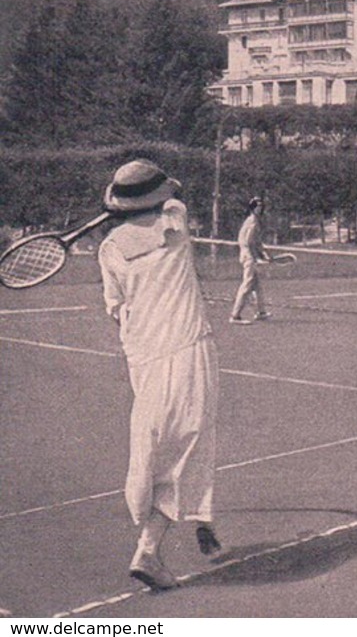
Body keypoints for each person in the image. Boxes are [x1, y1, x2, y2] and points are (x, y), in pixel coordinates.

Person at [98, 159, 221, 592]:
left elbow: (116, 308)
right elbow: (176, 196)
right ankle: (148, 551)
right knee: (188, 449)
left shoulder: (109, 247)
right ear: (158, 198)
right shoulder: (176, 220)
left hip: (143, 358)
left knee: (156, 446)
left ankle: (164, 526)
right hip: (187, 352)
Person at [230, 196, 271, 324]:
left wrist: (262, 254)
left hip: (248, 255)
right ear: (252, 208)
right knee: (247, 285)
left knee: (257, 285)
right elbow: (249, 242)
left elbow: (255, 242)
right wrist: (257, 257)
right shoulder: (252, 221)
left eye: (260, 207)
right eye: (257, 207)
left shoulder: (252, 221)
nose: (259, 209)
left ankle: (261, 312)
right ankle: (235, 316)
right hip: (249, 257)